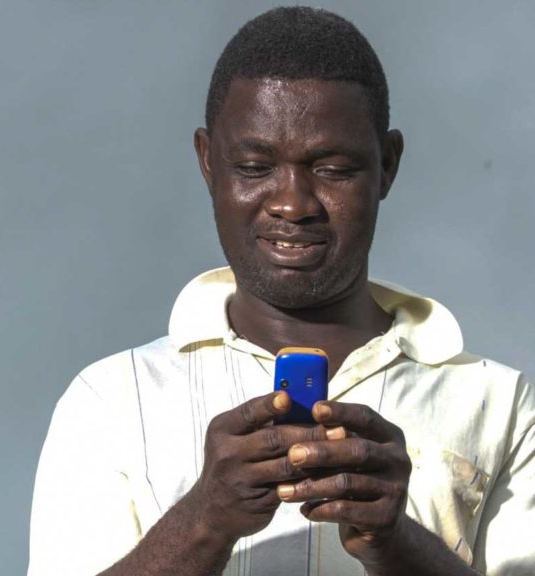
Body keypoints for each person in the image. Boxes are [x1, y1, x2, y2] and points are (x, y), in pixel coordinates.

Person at [27, 7, 534, 576]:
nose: (293, 204)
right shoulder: (111, 400)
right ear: (208, 161)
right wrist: (204, 521)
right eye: (253, 166)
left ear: (387, 164)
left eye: (333, 168)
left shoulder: (502, 404)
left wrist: (396, 544)